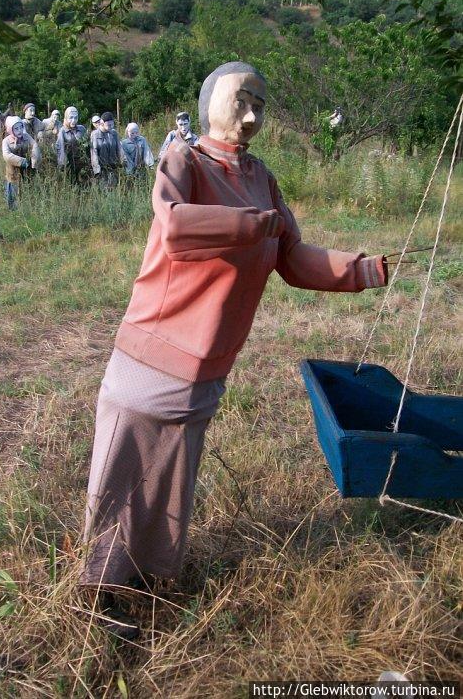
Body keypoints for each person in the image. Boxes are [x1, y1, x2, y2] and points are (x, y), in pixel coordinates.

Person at [79, 61, 388, 639]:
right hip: (154, 354)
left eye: (261, 106)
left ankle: (147, 584)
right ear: (209, 105)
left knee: (171, 479)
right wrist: (253, 225)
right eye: (240, 101)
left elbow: (292, 257)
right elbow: (174, 226)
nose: (251, 117)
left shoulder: (261, 178)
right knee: (123, 477)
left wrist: (363, 270)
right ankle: (96, 598)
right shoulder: (185, 161)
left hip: (208, 365)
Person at [1, 116, 41, 208]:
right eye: (16, 128)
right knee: (12, 188)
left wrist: (34, 159)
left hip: (27, 169)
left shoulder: (26, 136)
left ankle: (28, 205)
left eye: (21, 127)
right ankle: (12, 209)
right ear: (11, 130)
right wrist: (22, 161)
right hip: (13, 170)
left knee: (27, 186)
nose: (19, 130)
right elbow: (6, 155)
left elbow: (34, 144)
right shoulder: (6, 141)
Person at [90, 111, 125, 189]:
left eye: (112, 124)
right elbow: (94, 153)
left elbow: (119, 148)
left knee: (113, 188)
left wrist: (122, 161)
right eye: (108, 125)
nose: (111, 126)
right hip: (102, 169)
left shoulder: (114, 133)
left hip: (113, 167)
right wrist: (97, 170)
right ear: (102, 123)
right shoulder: (95, 134)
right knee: (103, 189)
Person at [56, 106, 89, 183]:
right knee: (71, 183)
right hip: (69, 164)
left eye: (76, 118)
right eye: (71, 118)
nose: (73, 120)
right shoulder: (62, 131)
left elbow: (87, 145)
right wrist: (63, 166)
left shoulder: (82, 129)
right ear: (66, 118)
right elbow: (60, 149)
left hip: (82, 164)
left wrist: (88, 162)